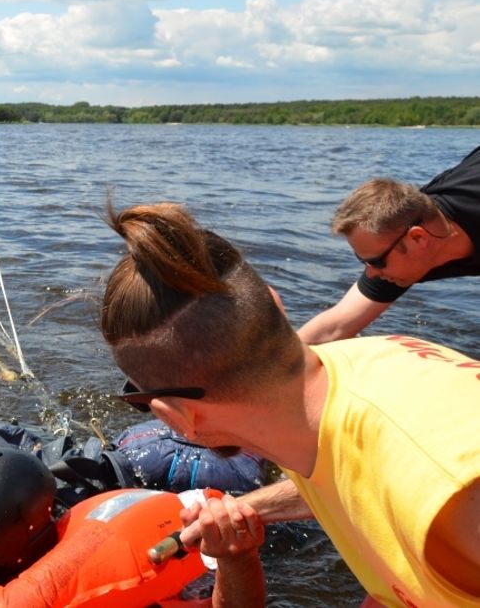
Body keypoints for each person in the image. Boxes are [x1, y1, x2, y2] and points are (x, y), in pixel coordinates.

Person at [98, 201, 480, 607]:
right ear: (276, 304)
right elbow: (359, 482)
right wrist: (247, 509)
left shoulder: (449, 495)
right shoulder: (361, 366)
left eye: (138, 398)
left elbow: (421, 483)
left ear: (175, 416)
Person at [0, 445, 267, 607]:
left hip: (112, 478)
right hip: (151, 491)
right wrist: (238, 553)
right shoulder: (83, 581)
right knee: (240, 457)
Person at [298, 145, 480, 345]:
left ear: (418, 238)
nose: (373, 272)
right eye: (363, 260)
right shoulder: (409, 225)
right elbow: (336, 326)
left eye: (376, 261)